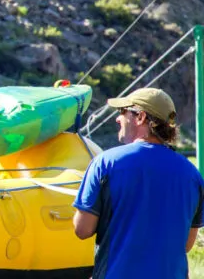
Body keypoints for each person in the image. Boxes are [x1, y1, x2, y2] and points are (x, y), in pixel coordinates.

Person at [72, 87, 204, 279]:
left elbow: (82, 229)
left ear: (141, 117)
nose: (118, 119)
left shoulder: (105, 163)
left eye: (122, 112)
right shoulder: (192, 175)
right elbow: (186, 244)